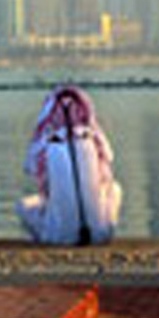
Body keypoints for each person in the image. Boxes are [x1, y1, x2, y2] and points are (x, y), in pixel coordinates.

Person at [17, 85, 122, 245]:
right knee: (114, 189)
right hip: (99, 234)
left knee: (24, 206)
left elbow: (30, 167)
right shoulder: (92, 137)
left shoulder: (49, 141)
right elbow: (109, 157)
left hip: (58, 237)